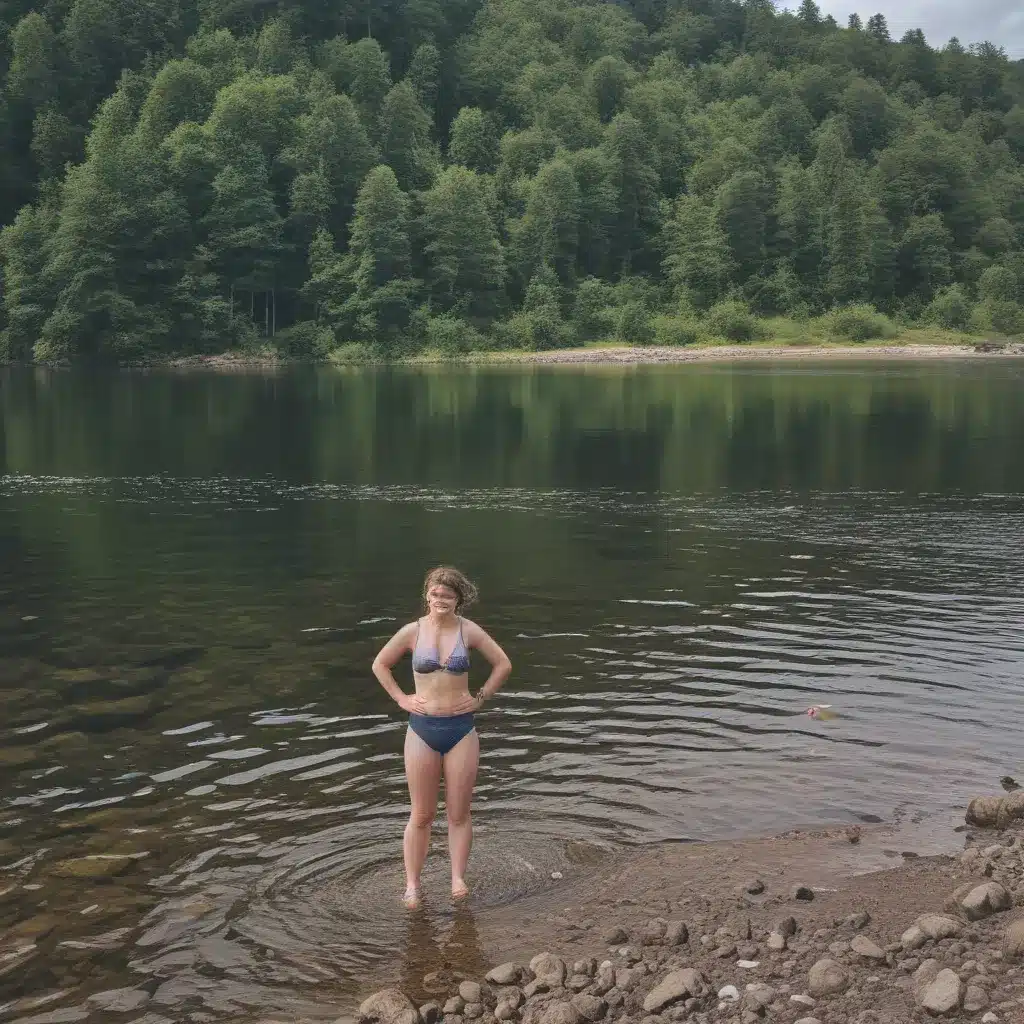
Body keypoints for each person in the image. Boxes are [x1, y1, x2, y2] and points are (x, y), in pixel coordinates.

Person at [371, 566, 512, 909]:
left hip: (461, 729)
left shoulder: (469, 631)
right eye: (435, 594)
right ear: (427, 596)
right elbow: (380, 665)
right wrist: (401, 699)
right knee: (420, 814)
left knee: (459, 813)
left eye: (448, 595)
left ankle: (457, 878)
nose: (440, 600)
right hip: (421, 729)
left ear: (458, 599)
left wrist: (481, 697)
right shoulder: (411, 632)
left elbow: (503, 664)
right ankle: (412, 886)